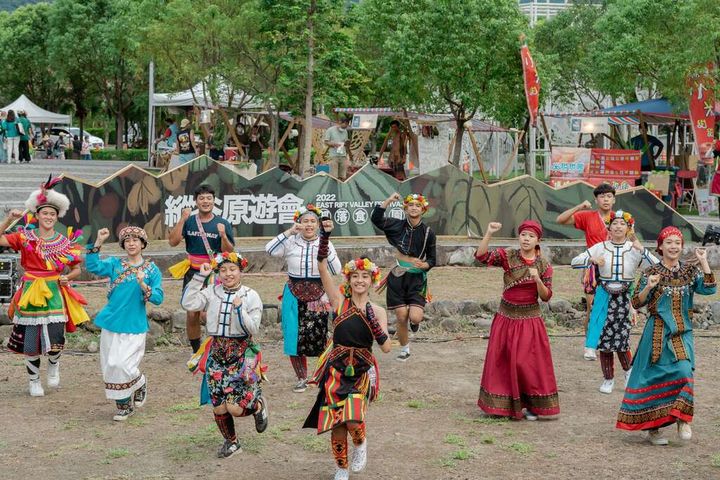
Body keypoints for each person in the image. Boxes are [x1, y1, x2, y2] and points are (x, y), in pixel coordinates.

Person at [303, 218, 391, 480]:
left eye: (365, 276)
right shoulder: (338, 301)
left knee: (352, 418)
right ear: (349, 280)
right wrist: (326, 236)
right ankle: (341, 468)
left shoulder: (378, 310)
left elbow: (386, 347)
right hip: (336, 370)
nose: (360, 280)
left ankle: (361, 443)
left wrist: (373, 322)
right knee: (336, 423)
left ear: (372, 280)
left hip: (361, 370)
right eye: (355, 276)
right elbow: (321, 266)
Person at [617, 227, 715, 445]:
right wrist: (648, 287)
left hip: (683, 333)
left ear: (681, 247)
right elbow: (636, 302)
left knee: (684, 372)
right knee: (654, 378)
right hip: (657, 332)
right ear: (660, 246)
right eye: (669, 242)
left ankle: (682, 419)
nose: (673, 247)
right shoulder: (651, 272)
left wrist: (704, 261)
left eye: (677, 243)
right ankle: (654, 428)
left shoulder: (690, 272)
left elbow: (709, 289)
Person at [0, 177, 89, 396]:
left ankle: (54, 364)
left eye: (52, 214)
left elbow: (77, 268)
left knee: (56, 333)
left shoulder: (64, 241)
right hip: (30, 290)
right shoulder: (24, 237)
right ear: (37, 215)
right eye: (44, 213)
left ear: (57, 216)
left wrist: (69, 277)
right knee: (31, 337)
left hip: (54, 290)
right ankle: (33, 381)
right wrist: (7, 220)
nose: (48, 217)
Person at [181, 252, 268, 458]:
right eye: (223, 270)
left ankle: (258, 406)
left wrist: (240, 310)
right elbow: (188, 303)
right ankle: (232, 442)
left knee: (235, 408)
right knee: (219, 406)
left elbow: (253, 328)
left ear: (240, 271)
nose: (228, 274)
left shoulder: (251, 295)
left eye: (232, 269)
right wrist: (200, 277)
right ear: (218, 272)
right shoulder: (212, 291)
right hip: (216, 352)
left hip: (241, 353)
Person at [475, 220, 559, 420]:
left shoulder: (544, 265)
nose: (526, 239)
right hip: (506, 317)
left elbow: (546, 296)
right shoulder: (508, 255)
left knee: (526, 362)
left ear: (538, 240)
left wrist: (538, 280)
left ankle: (532, 405)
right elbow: (481, 256)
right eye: (523, 235)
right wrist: (488, 233)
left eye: (531, 236)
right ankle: (500, 406)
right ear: (518, 237)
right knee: (501, 360)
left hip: (529, 320)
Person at [571, 210, 659, 394]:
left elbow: (656, 267)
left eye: (622, 223)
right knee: (604, 340)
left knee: (622, 339)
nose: (618, 226)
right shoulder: (600, 246)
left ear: (629, 227)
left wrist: (642, 249)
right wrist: (591, 259)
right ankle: (608, 378)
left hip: (625, 299)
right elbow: (574, 262)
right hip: (604, 296)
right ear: (608, 227)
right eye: (615, 223)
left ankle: (628, 373)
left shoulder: (633, 249)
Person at [86, 226, 164, 421]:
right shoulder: (114, 264)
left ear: (143, 244)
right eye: (127, 240)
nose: (131, 243)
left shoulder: (151, 270)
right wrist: (98, 242)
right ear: (123, 244)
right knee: (110, 365)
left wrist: (143, 284)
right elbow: (93, 266)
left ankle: (139, 381)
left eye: (135, 240)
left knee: (124, 365)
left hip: (134, 323)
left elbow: (158, 297)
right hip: (112, 320)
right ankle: (123, 406)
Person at [265, 204, 341, 393]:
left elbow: (336, 270)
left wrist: (325, 243)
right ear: (299, 223)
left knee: (321, 334)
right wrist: (289, 232)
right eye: (305, 221)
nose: (308, 225)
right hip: (293, 292)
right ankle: (301, 378)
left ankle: (324, 374)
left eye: (313, 222)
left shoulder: (325, 243)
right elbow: (269, 249)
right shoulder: (291, 241)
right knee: (293, 336)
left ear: (318, 225)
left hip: (319, 293)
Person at [168, 184, 235, 352]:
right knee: (192, 312)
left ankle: (218, 346)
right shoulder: (189, 221)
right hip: (193, 273)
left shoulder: (222, 223)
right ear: (196, 202)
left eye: (209, 198)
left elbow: (229, 251)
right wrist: (182, 219)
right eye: (202, 198)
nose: (205, 201)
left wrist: (223, 236)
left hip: (215, 274)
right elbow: (172, 242)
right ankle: (196, 351)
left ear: (214, 201)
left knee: (216, 311)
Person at [371, 192, 436, 362]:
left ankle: (416, 322)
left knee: (414, 317)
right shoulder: (396, 225)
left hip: (416, 279)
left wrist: (426, 265)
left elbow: (432, 259)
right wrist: (388, 201)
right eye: (411, 205)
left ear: (423, 210)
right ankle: (405, 348)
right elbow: (376, 218)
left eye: (418, 205)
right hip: (398, 275)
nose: (414, 208)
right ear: (405, 208)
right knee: (401, 316)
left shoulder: (429, 233)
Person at [555, 183, 616, 360]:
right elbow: (560, 219)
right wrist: (580, 206)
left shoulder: (619, 219)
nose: (606, 199)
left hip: (613, 268)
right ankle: (590, 346)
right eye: (602, 196)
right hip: (592, 267)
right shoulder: (588, 216)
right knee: (593, 306)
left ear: (614, 199)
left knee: (612, 308)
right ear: (596, 199)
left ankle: (607, 342)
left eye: (609, 196)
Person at [323, 117, 352, 181]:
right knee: (334, 177)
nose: (346, 127)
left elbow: (345, 143)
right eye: (345, 125)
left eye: (347, 125)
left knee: (343, 176)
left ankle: (341, 189)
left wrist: (347, 143)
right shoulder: (330, 130)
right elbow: (326, 142)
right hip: (333, 156)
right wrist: (334, 144)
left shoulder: (345, 131)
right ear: (340, 123)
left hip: (343, 155)